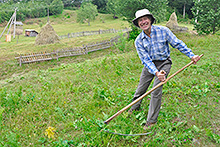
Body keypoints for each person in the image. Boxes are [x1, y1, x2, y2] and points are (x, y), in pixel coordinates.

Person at [128, 9, 201, 130]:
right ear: (138, 23)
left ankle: (151, 120)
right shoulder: (138, 41)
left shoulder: (164, 31)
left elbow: (177, 43)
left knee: (156, 90)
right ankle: (134, 107)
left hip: (164, 63)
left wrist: (191, 55)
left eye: (145, 19)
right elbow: (145, 60)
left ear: (150, 20)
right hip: (150, 65)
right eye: (140, 20)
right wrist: (155, 72)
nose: (143, 22)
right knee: (141, 88)